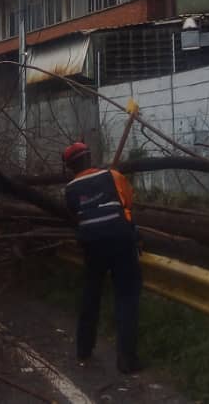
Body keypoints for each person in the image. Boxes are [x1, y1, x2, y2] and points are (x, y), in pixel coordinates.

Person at [62, 141, 142, 373]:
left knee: (91, 295)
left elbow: (74, 217)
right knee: (126, 296)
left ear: (70, 167)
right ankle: (127, 359)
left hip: (92, 244)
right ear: (89, 158)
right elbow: (128, 202)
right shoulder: (112, 175)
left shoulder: (70, 190)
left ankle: (84, 350)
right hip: (120, 238)